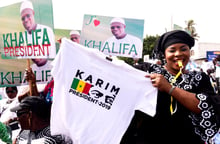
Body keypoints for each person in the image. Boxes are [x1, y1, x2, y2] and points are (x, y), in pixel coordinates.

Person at [120, 30, 219, 144]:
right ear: (164, 54)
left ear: (189, 52)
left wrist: (169, 88)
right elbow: (120, 75)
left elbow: (204, 106)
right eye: (172, 50)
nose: (178, 54)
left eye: (183, 49)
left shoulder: (200, 78)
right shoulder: (148, 71)